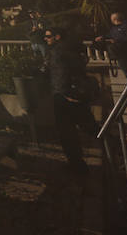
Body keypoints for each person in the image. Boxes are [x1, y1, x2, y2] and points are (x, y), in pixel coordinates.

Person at [44, 29, 97, 174]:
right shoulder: (73, 47)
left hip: (64, 96)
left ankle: (77, 165)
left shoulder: (58, 51)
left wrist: (64, 92)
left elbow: (60, 73)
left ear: (57, 36)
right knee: (89, 126)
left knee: (67, 133)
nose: (45, 39)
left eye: (48, 36)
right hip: (77, 92)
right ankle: (120, 150)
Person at [97, 12, 127, 100]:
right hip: (120, 55)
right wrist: (102, 37)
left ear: (115, 19)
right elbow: (109, 35)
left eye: (111, 18)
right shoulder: (114, 29)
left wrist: (117, 40)